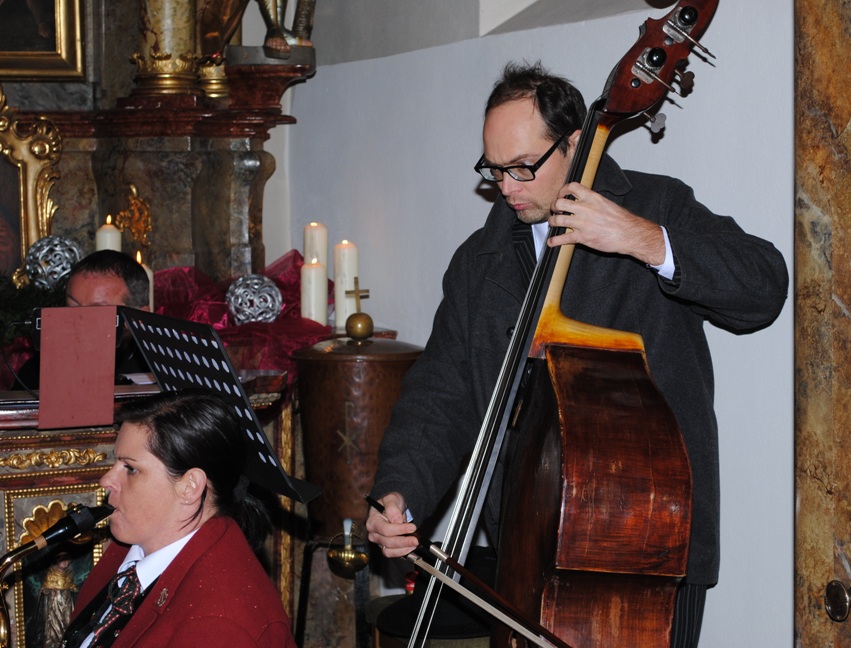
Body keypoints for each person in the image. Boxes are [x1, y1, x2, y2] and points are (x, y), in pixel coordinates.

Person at [365, 62, 789, 647]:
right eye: (494, 170)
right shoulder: (479, 261)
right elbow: (441, 394)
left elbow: (764, 286)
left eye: (522, 167)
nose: (506, 188)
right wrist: (399, 491)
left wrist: (644, 239)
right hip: (524, 547)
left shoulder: (654, 204)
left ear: (573, 144)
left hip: (649, 545)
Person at [61, 388, 297, 648]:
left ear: (190, 487)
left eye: (130, 469)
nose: (106, 481)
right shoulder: (133, 546)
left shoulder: (220, 624)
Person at [15, 250, 152, 390]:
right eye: (72, 307)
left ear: (138, 318)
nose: (79, 323)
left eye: (97, 312)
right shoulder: (37, 372)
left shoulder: (154, 370)